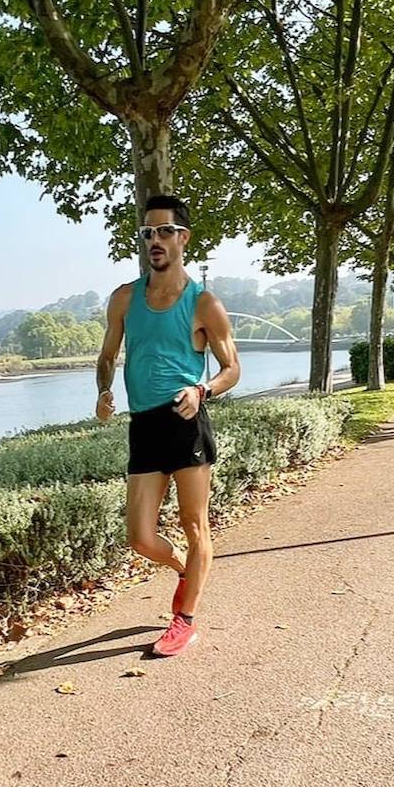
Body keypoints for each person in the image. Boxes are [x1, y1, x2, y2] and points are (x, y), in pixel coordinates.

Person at [95, 196, 241, 657]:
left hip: (186, 421)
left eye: (163, 232)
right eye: (147, 233)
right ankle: (184, 569)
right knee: (139, 536)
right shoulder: (124, 298)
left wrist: (204, 391)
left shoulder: (204, 304)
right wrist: (103, 390)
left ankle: (184, 618)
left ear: (183, 238)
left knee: (194, 524)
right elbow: (106, 357)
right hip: (145, 425)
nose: (154, 241)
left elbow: (232, 367)